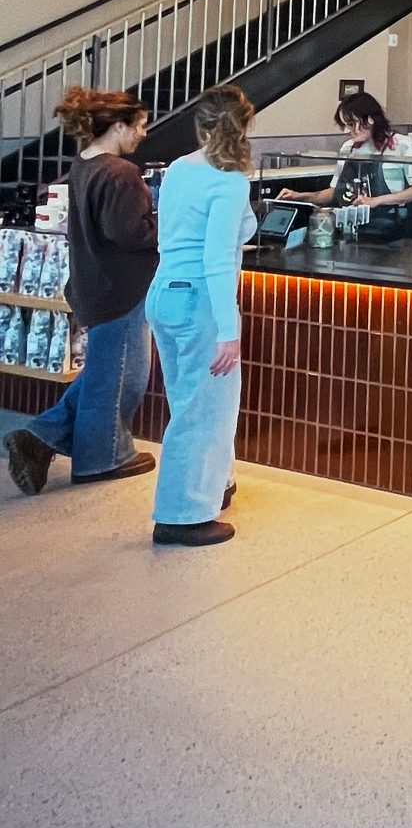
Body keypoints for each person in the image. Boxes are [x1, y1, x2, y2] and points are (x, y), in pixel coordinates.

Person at [3, 88, 159, 497]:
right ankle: (102, 459)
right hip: (121, 287)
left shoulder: (85, 163)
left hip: (93, 283)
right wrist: (170, 229)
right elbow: (128, 232)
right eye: (139, 125)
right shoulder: (121, 172)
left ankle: (39, 438)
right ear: (119, 125)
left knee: (105, 372)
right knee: (123, 379)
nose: (143, 133)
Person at [147, 85, 259, 546]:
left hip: (164, 294)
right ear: (245, 125)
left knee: (188, 401)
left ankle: (214, 485)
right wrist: (229, 331)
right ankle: (182, 515)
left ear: (201, 126)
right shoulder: (229, 181)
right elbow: (216, 260)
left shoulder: (178, 169)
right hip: (201, 303)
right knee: (204, 412)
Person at [275, 91, 412, 211]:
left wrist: (377, 200)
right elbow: (333, 193)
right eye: (344, 125)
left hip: (392, 229)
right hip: (352, 226)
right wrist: (299, 196)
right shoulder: (348, 148)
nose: (347, 130)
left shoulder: (403, 145)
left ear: (370, 119)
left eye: (351, 123)